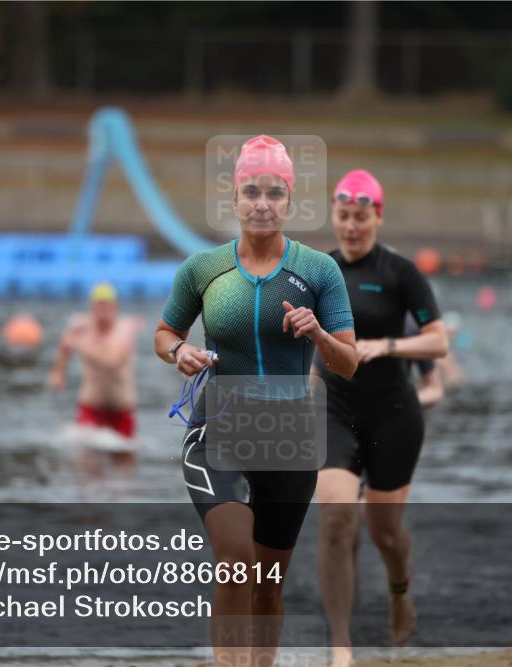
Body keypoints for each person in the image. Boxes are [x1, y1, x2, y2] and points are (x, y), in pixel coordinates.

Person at [154, 135, 358, 667]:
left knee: (268, 586)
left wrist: (316, 334)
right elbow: (163, 332)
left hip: (289, 439)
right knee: (236, 561)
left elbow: (349, 362)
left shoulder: (319, 272)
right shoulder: (203, 269)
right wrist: (179, 352)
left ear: (289, 200)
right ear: (235, 199)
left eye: (273, 193)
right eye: (251, 192)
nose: (262, 203)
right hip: (218, 431)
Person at [313, 169, 448, 667]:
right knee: (334, 520)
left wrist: (388, 346)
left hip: (393, 413)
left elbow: (439, 340)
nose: (351, 227)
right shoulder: (318, 270)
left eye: (361, 217)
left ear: (378, 217)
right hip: (334, 406)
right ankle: (340, 647)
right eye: (343, 216)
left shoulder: (400, 272)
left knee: (383, 533)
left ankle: (398, 589)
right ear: (334, 215)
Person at [48, 282, 142, 466]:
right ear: (92, 307)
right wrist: (58, 372)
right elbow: (65, 343)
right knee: (86, 467)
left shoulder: (124, 331)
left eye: (108, 305)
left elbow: (112, 362)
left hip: (121, 410)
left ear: (116, 307)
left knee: (124, 468)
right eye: (99, 305)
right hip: (91, 407)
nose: (103, 310)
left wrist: (79, 344)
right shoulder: (81, 327)